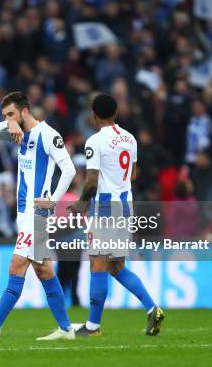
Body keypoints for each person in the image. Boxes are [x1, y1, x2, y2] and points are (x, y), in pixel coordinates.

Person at [0, 91, 76, 341]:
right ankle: (66, 329)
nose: (7, 119)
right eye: (4, 115)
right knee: (44, 270)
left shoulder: (48, 135)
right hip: (24, 213)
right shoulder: (18, 132)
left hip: (37, 213)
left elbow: (68, 169)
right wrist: (10, 123)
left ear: (25, 111)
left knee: (16, 265)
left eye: (11, 113)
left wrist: (53, 200)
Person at [69, 94, 164, 337]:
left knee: (98, 263)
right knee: (116, 265)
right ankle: (152, 308)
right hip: (126, 206)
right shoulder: (130, 138)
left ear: (93, 114)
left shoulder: (94, 141)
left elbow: (90, 180)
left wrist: (81, 202)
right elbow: (132, 175)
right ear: (116, 113)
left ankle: (92, 326)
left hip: (104, 207)